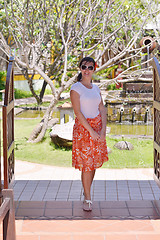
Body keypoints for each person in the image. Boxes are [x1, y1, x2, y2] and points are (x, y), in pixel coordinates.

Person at [70, 56, 108, 211]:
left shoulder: (96, 88)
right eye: (84, 67)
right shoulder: (76, 88)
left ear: (94, 69)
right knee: (86, 165)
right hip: (84, 131)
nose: (87, 70)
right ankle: (87, 198)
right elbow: (78, 113)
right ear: (80, 69)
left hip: (98, 130)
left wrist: (103, 130)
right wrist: (91, 131)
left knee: (93, 164)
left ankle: (87, 192)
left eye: (90, 67)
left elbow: (102, 109)